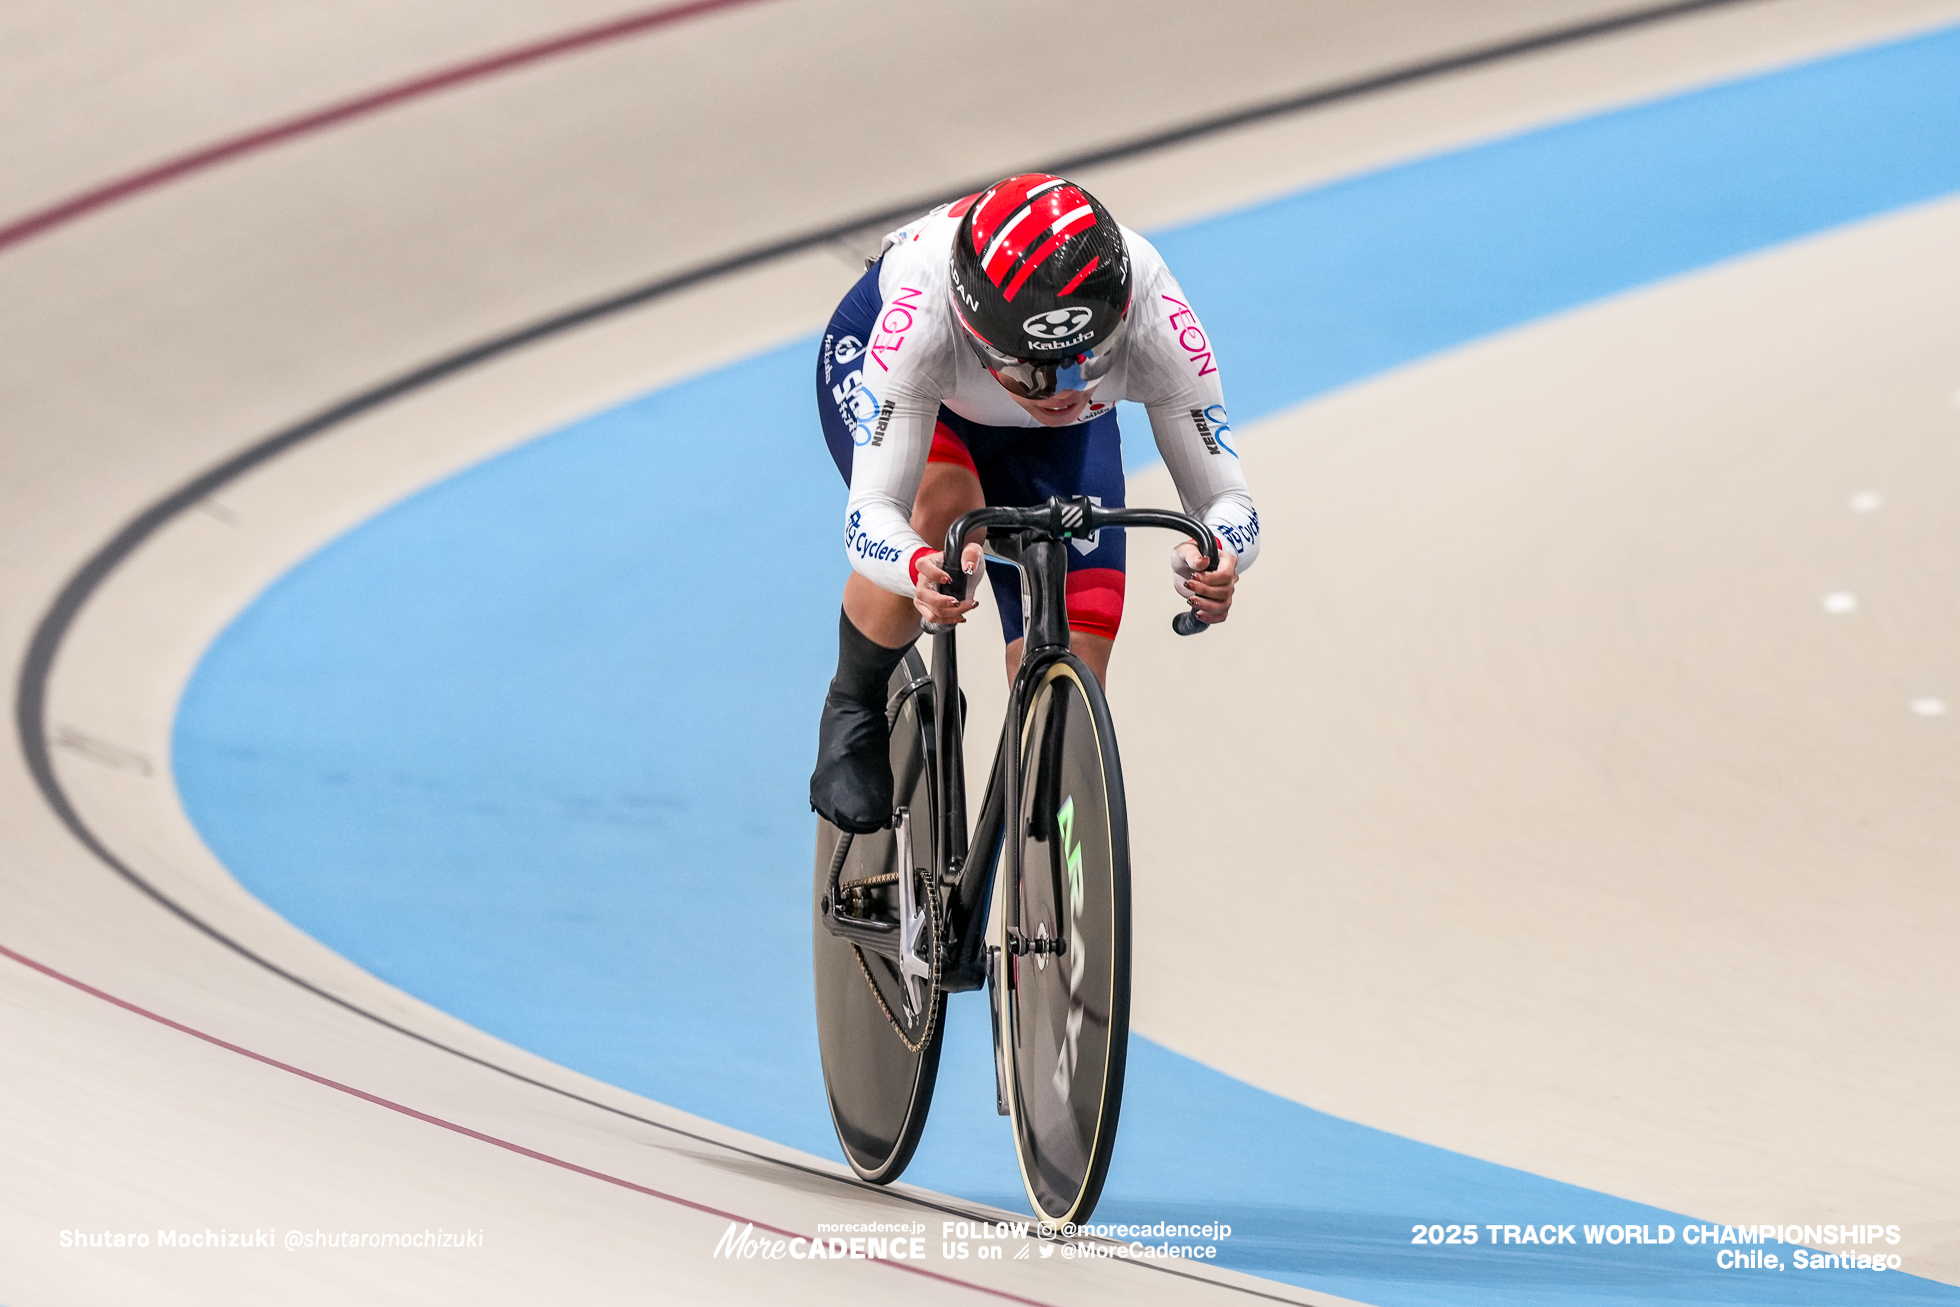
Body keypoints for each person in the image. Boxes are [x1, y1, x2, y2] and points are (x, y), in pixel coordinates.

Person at [810, 173, 1260, 834]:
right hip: (915, 391)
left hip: (1050, 440)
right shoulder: (919, 321)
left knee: (1073, 676)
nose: (1064, 392)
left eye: (1091, 362)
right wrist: (912, 567)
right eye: (1033, 374)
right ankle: (855, 700)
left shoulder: (1156, 316)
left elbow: (1226, 496)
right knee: (944, 510)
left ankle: (1040, 892)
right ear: (977, 341)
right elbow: (871, 512)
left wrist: (1221, 554)